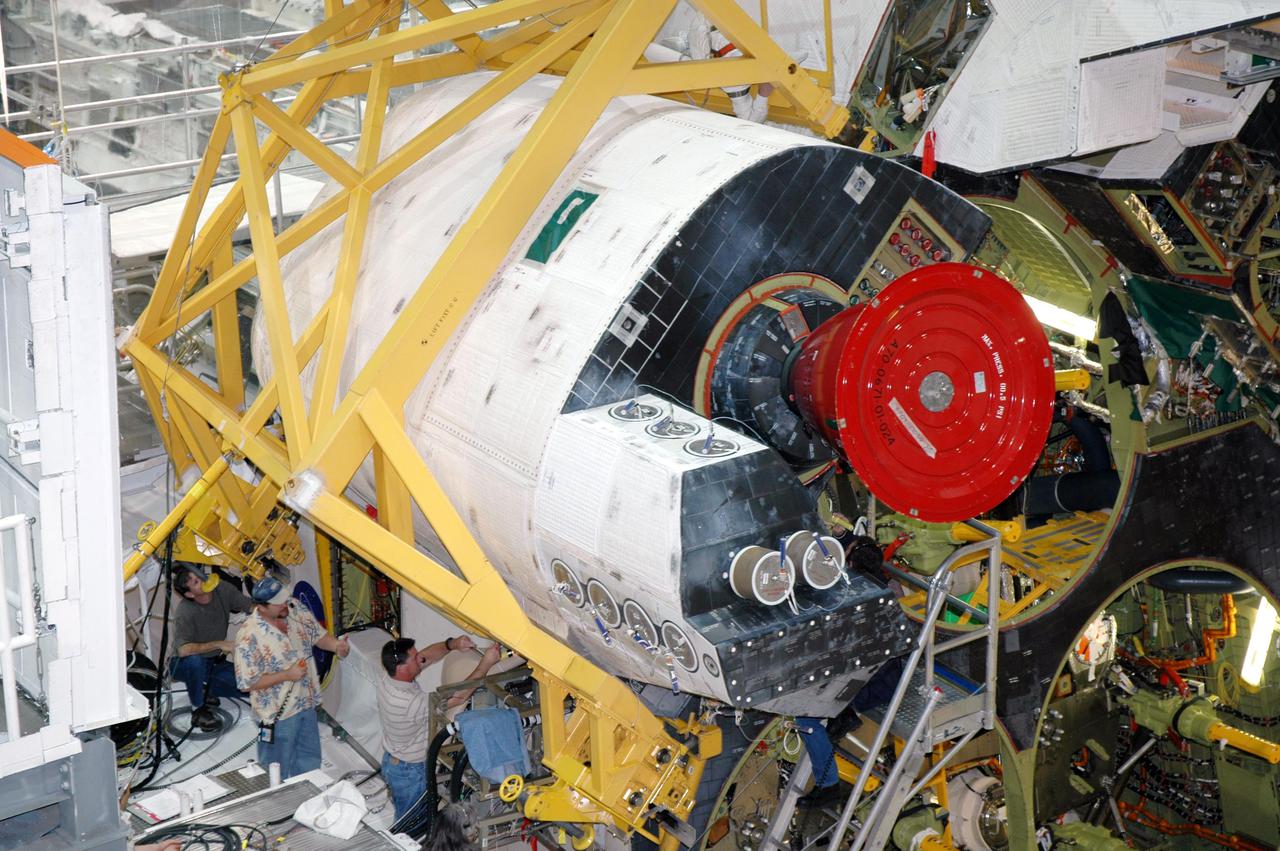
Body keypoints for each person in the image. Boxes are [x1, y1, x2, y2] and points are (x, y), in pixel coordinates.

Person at [234, 576, 349, 780]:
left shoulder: (294, 607)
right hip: (278, 716)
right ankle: (277, 806)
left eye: (285, 599)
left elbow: (318, 637)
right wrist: (287, 675)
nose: (285, 604)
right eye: (278, 603)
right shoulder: (248, 636)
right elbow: (246, 683)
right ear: (261, 607)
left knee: (310, 760)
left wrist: (337, 646)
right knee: (274, 769)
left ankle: (306, 799)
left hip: (307, 703)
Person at [377, 634, 499, 820]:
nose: (421, 659)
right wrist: (486, 664)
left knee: (406, 816)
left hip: (396, 763)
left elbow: (428, 656)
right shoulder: (407, 701)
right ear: (402, 667)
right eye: (415, 658)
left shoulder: (390, 677)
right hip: (409, 772)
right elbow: (457, 697)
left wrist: (452, 644)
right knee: (410, 826)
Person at [169, 564, 252, 731]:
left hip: (214, 663)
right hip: (182, 664)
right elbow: (183, 650)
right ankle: (198, 710)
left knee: (249, 686)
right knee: (194, 661)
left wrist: (275, 611)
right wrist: (219, 644)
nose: (200, 579)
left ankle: (205, 689)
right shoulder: (185, 611)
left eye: (198, 575)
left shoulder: (223, 588)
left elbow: (250, 606)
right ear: (190, 594)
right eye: (194, 581)